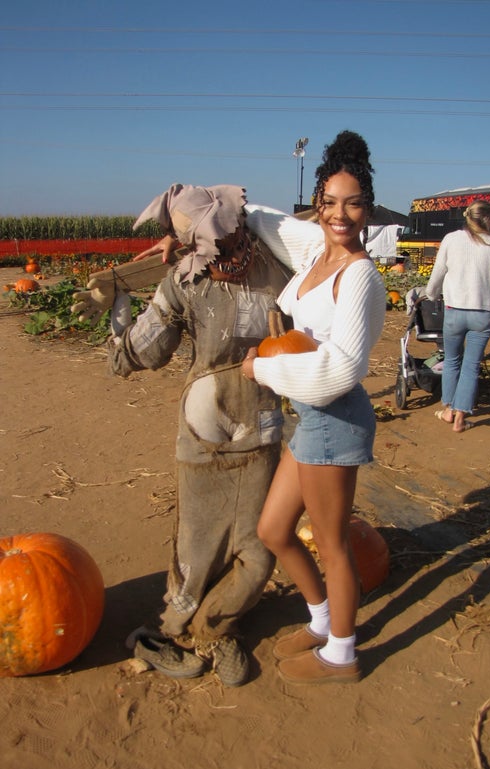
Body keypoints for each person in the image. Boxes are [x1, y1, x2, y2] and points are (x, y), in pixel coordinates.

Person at [89, 183, 319, 687]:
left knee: (259, 550)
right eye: (208, 245)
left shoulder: (276, 269)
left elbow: (316, 260)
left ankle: (216, 628)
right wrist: (119, 318)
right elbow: (145, 350)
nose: (224, 253)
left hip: (261, 429)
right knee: (197, 552)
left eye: (229, 239)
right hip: (204, 433)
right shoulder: (183, 283)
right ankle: (166, 633)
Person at [241, 131, 387, 685]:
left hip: (336, 416)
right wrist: (214, 210)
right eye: (330, 202)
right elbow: (268, 221)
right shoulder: (314, 255)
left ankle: (342, 656)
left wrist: (262, 371)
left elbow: (341, 369)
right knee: (274, 530)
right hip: (310, 419)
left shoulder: (359, 276)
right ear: (318, 204)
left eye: (353, 204)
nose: (340, 215)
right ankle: (322, 620)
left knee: (332, 543)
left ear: (367, 209)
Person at [425, 200, 490, 433]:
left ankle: (448, 410)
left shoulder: (451, 239)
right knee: (471, 365)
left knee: (452, 360)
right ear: (488, 220)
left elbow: (438, 271)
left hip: (455, 310)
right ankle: (460, 418)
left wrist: (431, 294)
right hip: (483, 313)